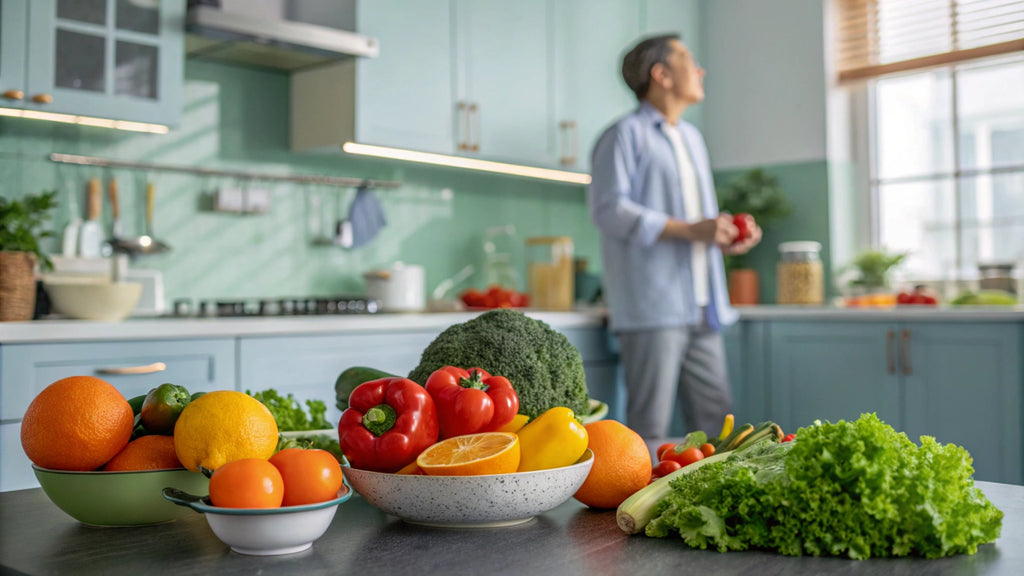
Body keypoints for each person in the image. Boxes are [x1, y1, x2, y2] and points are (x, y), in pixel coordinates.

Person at [587, 34, 762, 440]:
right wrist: (692, 230)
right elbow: (609, 210)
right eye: (687, 59)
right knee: (648, 427)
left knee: (719, 427)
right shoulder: (623, 135)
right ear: (661, 75)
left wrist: (723, 235)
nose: (701, 70)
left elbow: (695, 224)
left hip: (703, 304)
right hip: (652, 308)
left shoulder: (692, 139)